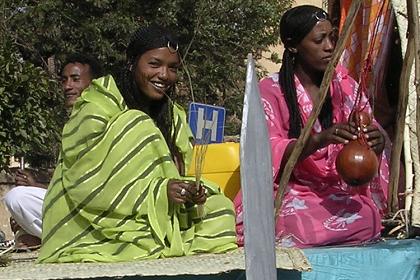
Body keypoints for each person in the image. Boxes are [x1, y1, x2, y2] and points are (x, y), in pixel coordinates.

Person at [37, 24, 237, 263]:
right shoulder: (97, 104)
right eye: (154, 64)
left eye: (172, 68)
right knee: (138, 124)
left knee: (221, 209)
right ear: (132, 62)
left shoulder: (173, 116)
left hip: (157, 212)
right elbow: (81, 176)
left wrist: (188, 193)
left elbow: (175, 172)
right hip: (93, 216)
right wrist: (157, 191)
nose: (164, 75)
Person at [234, 5, 390, 248]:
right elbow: (264, 151)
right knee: (299, 224)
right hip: (293, 192)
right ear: (293, 45)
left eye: (332, 38)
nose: (329, 47)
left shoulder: (344, 86)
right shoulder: (270, 90)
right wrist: (318, 140)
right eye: (319, 40)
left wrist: (375, 142)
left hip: (334, 193)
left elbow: (369, 126)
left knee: (369, 219)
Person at [3, 53, 103, 249]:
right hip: (74, 210)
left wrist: (39, 190)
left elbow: (88, 190)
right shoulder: (73, 124)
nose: (67, 86)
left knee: (16, 198)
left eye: (75, 80)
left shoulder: (98, 120)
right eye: (64, 80)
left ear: (94, 84)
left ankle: (50, 238)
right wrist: (37, 186)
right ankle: (39, 235)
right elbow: (69, 183)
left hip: (96, 213)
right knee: (19, 204)